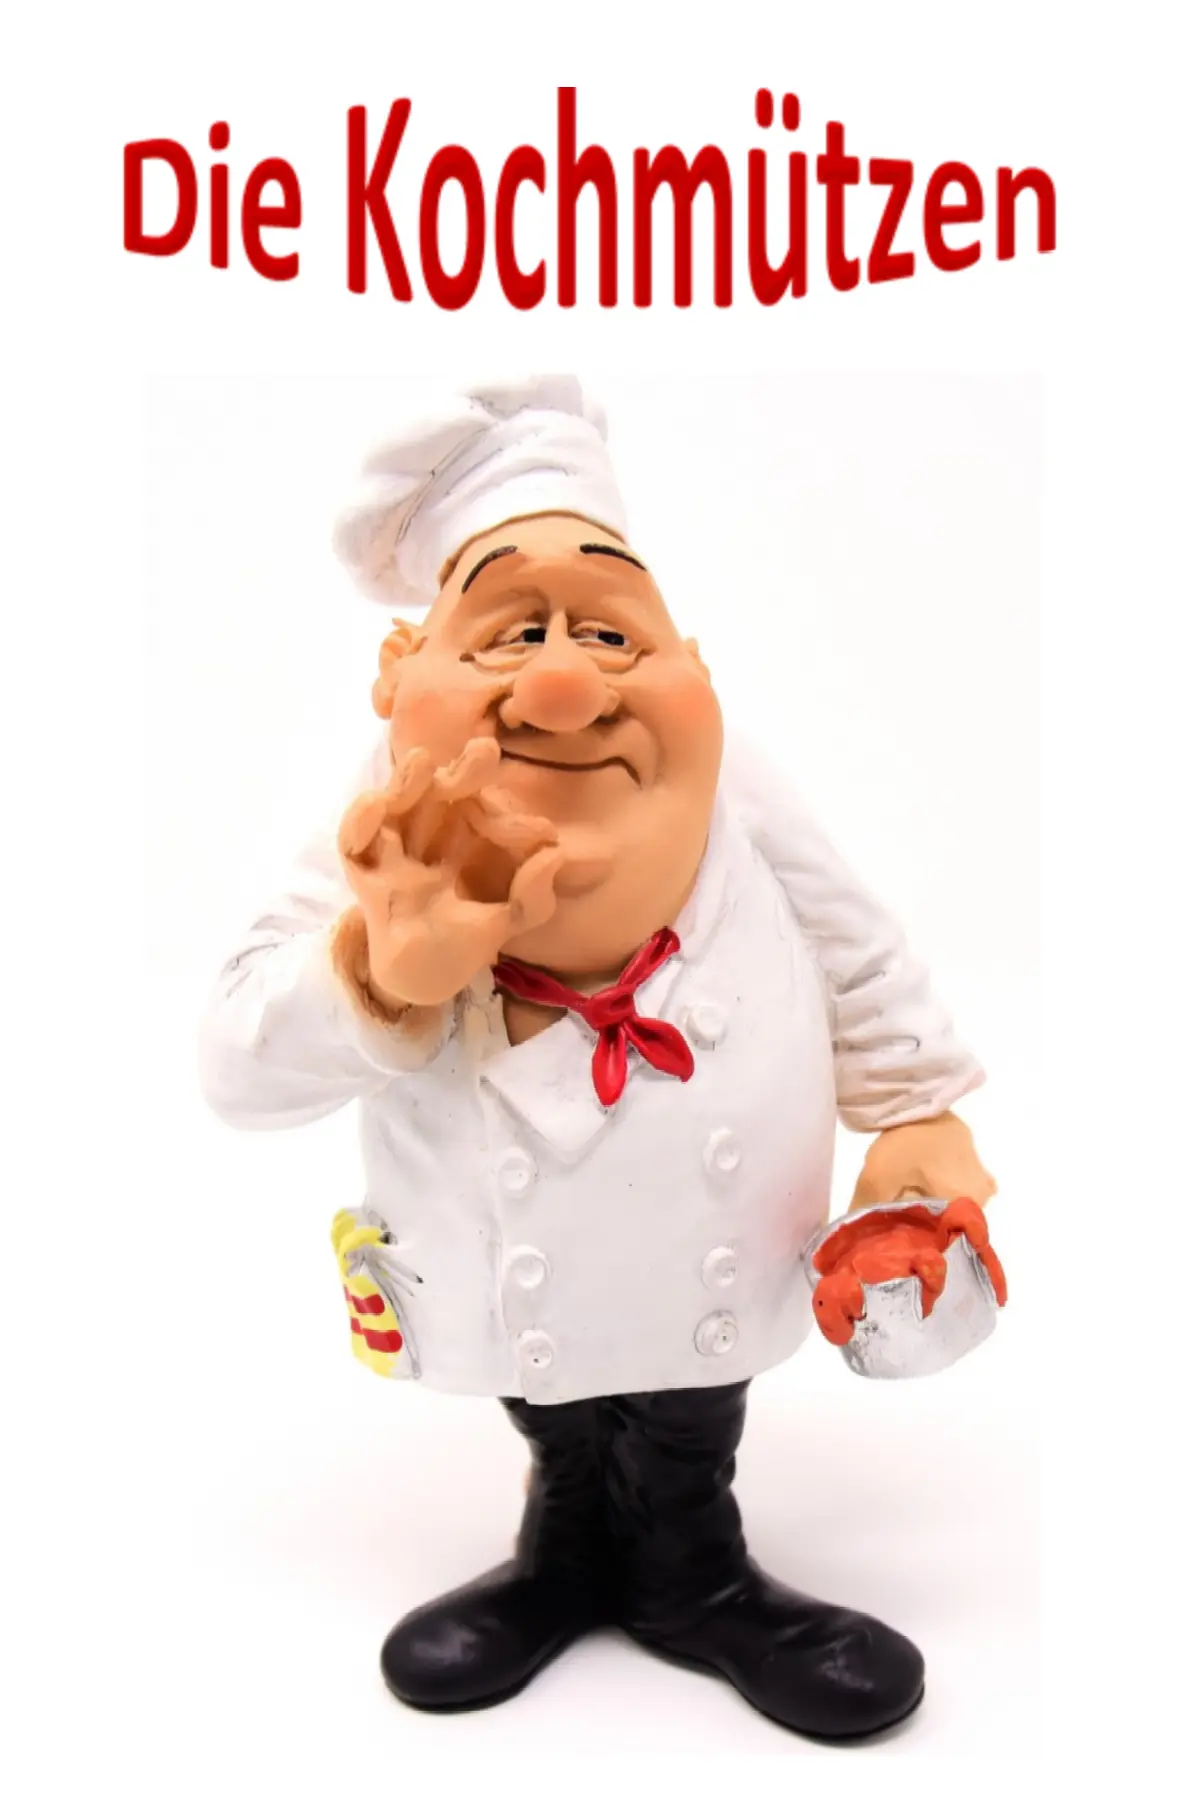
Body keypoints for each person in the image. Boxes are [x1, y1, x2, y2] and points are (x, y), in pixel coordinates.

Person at [199, 375, 995, 1741]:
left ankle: (695, 1572)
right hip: (492, 1232)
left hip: (721, 1232)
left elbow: (853, 941)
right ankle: (562, 1548)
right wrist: (380, 973)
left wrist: (919, 1113)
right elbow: (233, 1062)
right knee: (553, 1400)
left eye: (612, 632)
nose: (565, 682)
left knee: (688, 1411)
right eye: (510, 631)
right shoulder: (381, 818)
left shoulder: (734, 786)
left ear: (695, 667)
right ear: (402, 680)